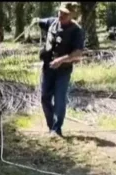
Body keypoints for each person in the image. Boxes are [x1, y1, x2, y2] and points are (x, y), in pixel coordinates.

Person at [31, 2, 85, 137]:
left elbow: (77, 54)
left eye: (65, 14)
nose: (61, 15)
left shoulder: (77, 31)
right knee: (44, 97)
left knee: (59, 98)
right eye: (60, 12)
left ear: (72, 15)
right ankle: (51, 126)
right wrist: (35, 21)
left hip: (63, 70)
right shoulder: (51, 22)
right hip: (48, 68)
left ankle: (57, 129)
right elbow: (38, 21)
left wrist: (60, 60)